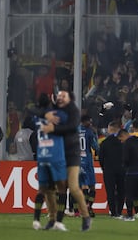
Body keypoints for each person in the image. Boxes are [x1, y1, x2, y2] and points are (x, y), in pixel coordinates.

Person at [41, 90, 91, 231]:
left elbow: (71, 127)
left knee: (74, 187)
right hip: (57, 154)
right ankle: (54, 220)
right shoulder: (54, 110)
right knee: (55, 189)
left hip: (71, 154)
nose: (60, 98)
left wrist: (53, 128)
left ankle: (86, 217)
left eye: (64, 96)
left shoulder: (73, 111)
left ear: (70, 99)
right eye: (59, 96)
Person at [33, 109, 69, 231]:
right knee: (60, 188)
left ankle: (40, 220)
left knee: (47, 190)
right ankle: (57, 220)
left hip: (42, 157)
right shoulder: (57, 125)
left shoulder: (38, 122)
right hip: (56, 157)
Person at [99, 120, 125, 219]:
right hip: (122, 169)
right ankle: (119, 211)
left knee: (110, 191)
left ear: (110, 129)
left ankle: (113, 212)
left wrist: (104, 167)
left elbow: (101, 157)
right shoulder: (123, 142)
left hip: (109, 170)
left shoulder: (104, 143)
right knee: (121, 190)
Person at [78, 114, 99, 218]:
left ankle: (86, 208)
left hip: (78, 161)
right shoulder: (90, 132)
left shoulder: (75, 130)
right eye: (89, 122)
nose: (90, 124)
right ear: (84, 121)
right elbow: (95, 146)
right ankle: (87, 207)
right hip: (87, 161)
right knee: (91, 186)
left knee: (84, 185)